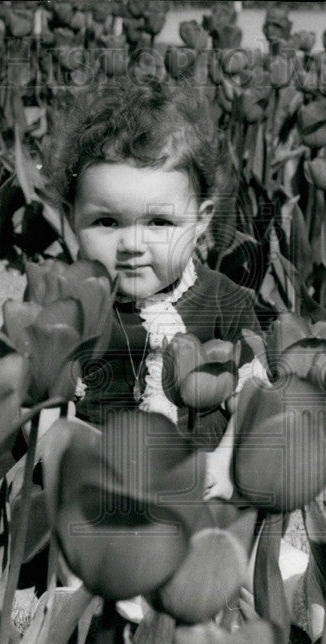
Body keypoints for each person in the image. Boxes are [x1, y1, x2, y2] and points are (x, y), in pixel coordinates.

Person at [52, 80, 269, 493]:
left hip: (198, 482)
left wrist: (224, 465)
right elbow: (44, 400)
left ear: (201, 220)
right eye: (107, 222)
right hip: (95, 479)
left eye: (159, 222)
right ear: (71, 217)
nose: (132, 245)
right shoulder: (70, 302)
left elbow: (254, 393)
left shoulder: (224, 300)